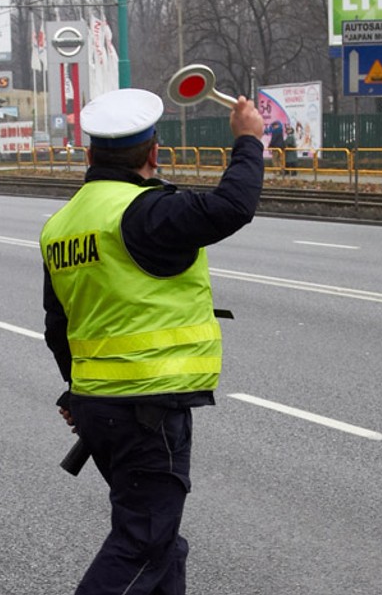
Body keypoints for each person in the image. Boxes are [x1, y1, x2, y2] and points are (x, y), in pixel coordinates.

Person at [40, 88, 265, 594]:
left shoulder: (62, 225)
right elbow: (233, 206)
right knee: (143, 542)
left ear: (90, 154)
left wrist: (75, 389)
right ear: (153, 153)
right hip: (148, 409)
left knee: (162, 543)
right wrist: (250, 140)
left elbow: (59, 325)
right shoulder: (144, 213)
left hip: (98, 407)